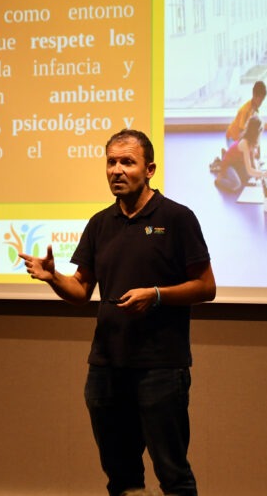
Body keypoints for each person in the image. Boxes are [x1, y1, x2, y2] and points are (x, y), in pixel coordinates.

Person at [21, 129, 216, 496]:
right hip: (106, 368)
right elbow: (81, 290)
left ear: (149, 169)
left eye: (127, 162)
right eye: (111, 162)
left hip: (160, 367)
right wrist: (53, 278)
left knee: (173, 476)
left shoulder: (177, 218)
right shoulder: (100, 223)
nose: (117, 170)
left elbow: (206, 287)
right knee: (121, 478)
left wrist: (156, 295)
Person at [216, 115, 266, 193]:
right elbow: (249, 170)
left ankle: (232, 169)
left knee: (252, 174)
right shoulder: (244, 143)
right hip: (229, 164)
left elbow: (253, 159)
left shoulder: (253, 141)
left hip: (238, 163)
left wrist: (257, 173)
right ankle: (220, 180)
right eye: (261, 130)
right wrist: (262, 174)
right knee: (236, 185)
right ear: (256, 131)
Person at [225, 80, 267, 147]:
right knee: (242, 150)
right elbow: (241, 133)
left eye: (262, 100)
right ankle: (226, 152)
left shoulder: (255, 110)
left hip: (240, 136)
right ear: (254, 95)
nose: (261, 103)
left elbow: (256, 132)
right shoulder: (245, 111)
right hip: (232, 138)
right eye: (260, 100)